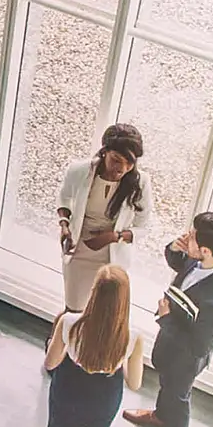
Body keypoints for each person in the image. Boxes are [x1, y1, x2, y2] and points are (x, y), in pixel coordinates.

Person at [124, 211, 213, 427]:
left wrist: (166, 319)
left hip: (186, 357)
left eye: (193, 238)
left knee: (177, 396)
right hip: (173, 342)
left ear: (206, 251)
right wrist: (175, 250)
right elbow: (182, 266)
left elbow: (200, 346)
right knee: (166, 384)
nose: (188, 237)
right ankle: (160, 415)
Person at [43, 263, 147, 427]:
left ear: (94, 292)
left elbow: (50, 363)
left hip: (68, 386)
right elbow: (135, 383)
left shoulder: (69, 322)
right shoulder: (132, 337)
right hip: (104, 396)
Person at [56, 123, 153, 312]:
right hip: (79, 249)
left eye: (129, 163)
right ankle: (57, 341)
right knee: (73, 308)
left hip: (112, 256)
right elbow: (64, 197)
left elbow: (144, 226)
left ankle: (85, 343)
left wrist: (113, 237)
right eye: (116, 160)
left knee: (99, 314)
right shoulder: (79, 171)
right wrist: (64, 225)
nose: (122, 168)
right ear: (104, 152)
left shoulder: (140, 182)